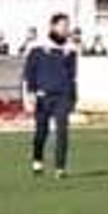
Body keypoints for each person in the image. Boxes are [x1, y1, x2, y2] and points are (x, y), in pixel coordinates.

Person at [26, 13, 78, 179]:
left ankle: (60, 168)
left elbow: (72, 75)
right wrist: (31, 92)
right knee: (42, 131)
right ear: (53, 26)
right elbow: (30, 71)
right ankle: (37, 160)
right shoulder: (37, 46)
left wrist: (73, 97)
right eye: (63, 25)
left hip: (62, 96)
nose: (66, 29)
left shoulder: (71, 49)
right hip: (43, 95)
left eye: (67, 25)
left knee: (62, 131)